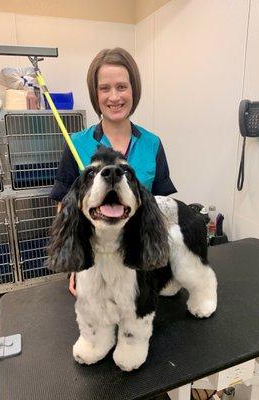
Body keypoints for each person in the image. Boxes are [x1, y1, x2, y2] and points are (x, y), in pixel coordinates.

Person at [50, 47, 177, 295]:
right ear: (95, 94)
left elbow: (163, 206)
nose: (114, 97)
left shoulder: (152, 144)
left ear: (134, 90)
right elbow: (65, 207)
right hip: (95, 267)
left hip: (138, 262)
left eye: (122, 87)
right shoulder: (77, 144)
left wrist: (161, 257)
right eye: (104, 88)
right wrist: (76, 265)